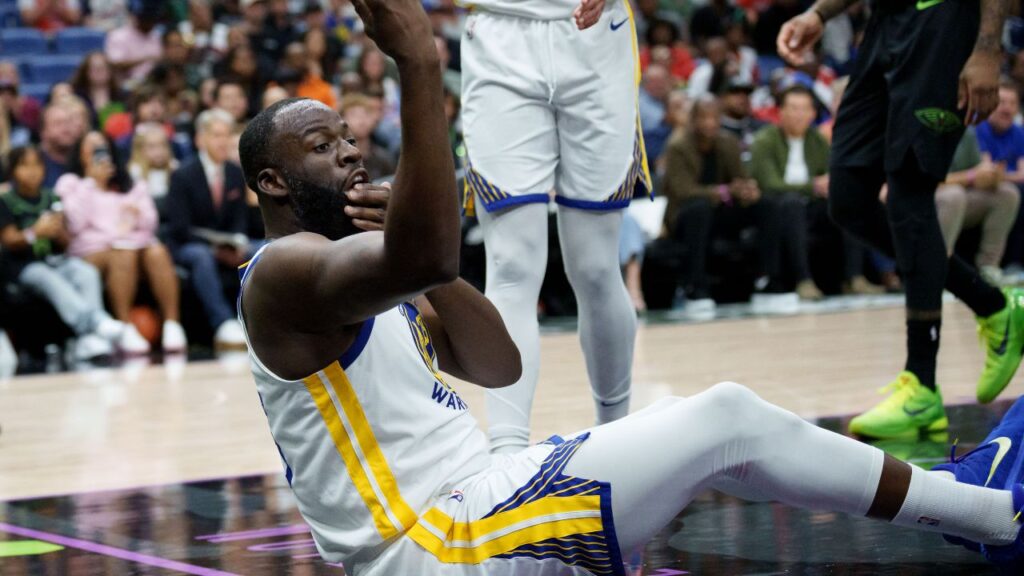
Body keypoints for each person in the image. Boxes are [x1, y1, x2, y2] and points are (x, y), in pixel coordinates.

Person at [238, 3, 1024, 573]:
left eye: (348, 137)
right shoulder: (281, 277)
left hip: (476, 505)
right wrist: (421, 62)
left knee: (710, 426)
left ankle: (963, 503)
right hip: (438, 543)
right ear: (271, 183)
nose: (348, 153)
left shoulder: (372, 272)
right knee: (724, 417)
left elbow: (497, 365)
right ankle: (992, 515)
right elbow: (425, 251)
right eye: (321, 147)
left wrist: (423, 268)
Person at [778, 0, 1024, 437]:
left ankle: (922, 385)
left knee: (909, 190)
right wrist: (819, 14)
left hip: (945, 21)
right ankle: (994, 306)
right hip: (886, 22)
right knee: (847, 198)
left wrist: (988, 49)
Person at [461, 0, 653, 453]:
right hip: (497, 34)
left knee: (594, 267)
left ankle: (613, 436)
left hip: (595, 34)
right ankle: (506, 455)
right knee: (510, 264)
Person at [57, 131, 185, 355]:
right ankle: (125, 327)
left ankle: (172, 324)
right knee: (122, 252)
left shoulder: (130, 182)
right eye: (91, 148)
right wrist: (92, 182)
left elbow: (150, 223)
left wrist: (137, 215)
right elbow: (74, 225)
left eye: (102, 147)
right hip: (91, 252)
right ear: (80, 154)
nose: (98, 153)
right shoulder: (71, 183)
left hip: (136, 245)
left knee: (156, 251)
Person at [749, 85, 882, 297]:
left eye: (804, 109)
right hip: (776, 209)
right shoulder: (765, 140)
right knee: (791, 203)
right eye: (793, 108)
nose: (799, 115)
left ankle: (855, 277)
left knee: (848, 201)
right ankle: (804, 280)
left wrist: (829, 185)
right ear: (780, 111)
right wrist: (812, 186)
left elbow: (828, 175)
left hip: (811, 205)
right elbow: (769, 184)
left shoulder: (817, 139)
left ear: (813, 113)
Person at [0, 145, 125, 362]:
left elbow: (66, 243)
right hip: (23, 267)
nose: (32, 171)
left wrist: (57, 233)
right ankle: (94, 323)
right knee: (47, 278)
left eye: (36, 165)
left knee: (85, 272)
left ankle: (89, 340)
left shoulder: (51, 197)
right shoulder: (6, 200)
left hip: (55, 260)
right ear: (12, 171)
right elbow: (9, 240)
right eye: (24, 165)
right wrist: (34, 233)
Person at [662, 96, 762, 312]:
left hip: (719, 212)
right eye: (703, 118)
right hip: (683, 216)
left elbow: (739, 178)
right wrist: (722, 191)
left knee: (768, 205)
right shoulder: (677, 146)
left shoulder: (728, 142)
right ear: (693, 120)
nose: (709, 123)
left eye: (714, 118)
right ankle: (695, 287)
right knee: (699, 208)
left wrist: (748, 190)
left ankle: (769, 279)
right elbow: (683, 191)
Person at [166, 109, 249, 350]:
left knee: (265, 249)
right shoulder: (182, 175)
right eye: (216, 135)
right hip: (187, 245)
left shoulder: (235, 172)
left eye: (226, 135)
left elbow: (239, 219)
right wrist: (216, 249)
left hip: (227, 242)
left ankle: (268, 320)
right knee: (202, 256)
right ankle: (223, 322)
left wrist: (238, 241)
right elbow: (180, 227)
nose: (223, 141)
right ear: (200, 140)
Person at [935, 127, 1020, 284]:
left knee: (1007, 193)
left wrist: (990, 177)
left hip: (961, 196)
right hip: (927, 197)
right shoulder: (924, 124)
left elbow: (977, 171)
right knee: (954, 195)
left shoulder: (966, 131)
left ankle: (988, 267)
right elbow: (927, 179)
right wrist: (969, 176)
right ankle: (937, 269)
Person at [975, 82, 1024, 270]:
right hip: (981, 188)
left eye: (1013, 103)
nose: (1008, 108)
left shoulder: (1018, 132)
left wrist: (1003, 174)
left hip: (1006, 185)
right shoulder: (980, 128)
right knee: (1014, 192)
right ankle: (1009, 263)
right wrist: (1006, 175)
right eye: (1002, 102)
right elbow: (986, 173)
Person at [128, 122, 178, 213]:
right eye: (152, 147)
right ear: (140, 150)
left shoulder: (174, 167)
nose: (159, 151)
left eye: (163, 145)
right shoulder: (135, 171)